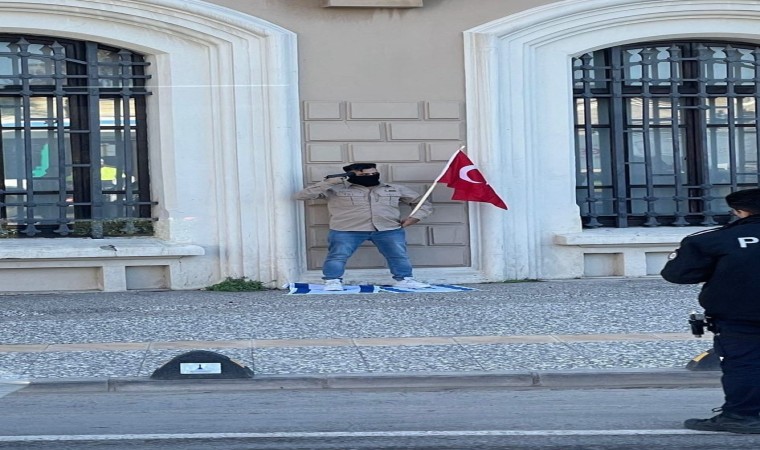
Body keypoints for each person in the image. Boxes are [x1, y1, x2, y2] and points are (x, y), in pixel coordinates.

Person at [661, 187, 760, 434]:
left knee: (744, 364)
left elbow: (677, 274)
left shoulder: (713, 240)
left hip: (741, 316)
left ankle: (741, 416)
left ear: (740, 212)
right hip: (740, 315)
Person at [295, 162, 433, 291]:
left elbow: (422, 203)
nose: (371, 176)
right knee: (337, 256)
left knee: (398, 255)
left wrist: (415, 218)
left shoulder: (393, 188)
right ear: (351, 175)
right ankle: (332, 281)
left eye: (374, 173)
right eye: (364, 174)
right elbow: (302, 195)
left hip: (388, 228)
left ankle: (404, 279)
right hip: (347, 229)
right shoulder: (335, 189)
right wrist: (330, 182)